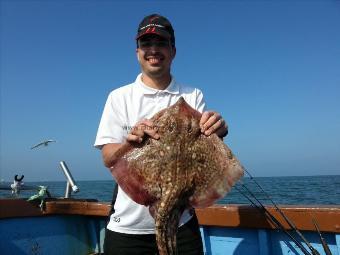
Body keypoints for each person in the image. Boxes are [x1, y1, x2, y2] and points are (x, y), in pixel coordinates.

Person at [94, 14, 228, 255]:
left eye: (161, 44)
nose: (153, 50)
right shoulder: (119, 97)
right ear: (137, 52)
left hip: (183, 221)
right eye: (146, 44)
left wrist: (219, 129)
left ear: (173, 51)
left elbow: (207, 143)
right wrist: (129, 142)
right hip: (128, 229)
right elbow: (107, 158)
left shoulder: (192, 94)